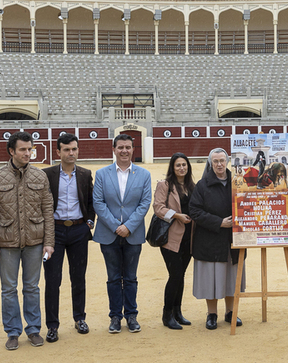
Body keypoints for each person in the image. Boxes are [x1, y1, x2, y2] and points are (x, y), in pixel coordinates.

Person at [0, 131, 55, 351]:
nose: (27, 153)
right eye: (23, 149)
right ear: (11, 151)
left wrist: (49, 242)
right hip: (7, 242)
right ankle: (13, 331)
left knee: (32, 287)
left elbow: (47, 210)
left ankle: (33, 329)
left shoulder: (40, 176)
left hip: (35, 240)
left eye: (30, 149)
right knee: (9, 288)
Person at [93, 134, 152, 333]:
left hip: (133, 233)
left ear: (133, 149)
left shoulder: (143, 174)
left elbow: (145, 203)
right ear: (114, 149)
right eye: (120, 147)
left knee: (131, 277)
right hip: (109, 233)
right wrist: (116, 226)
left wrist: (128, 226)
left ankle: (132, 315)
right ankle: (115, 317)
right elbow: (98, 203)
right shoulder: (102, 174)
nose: (124, 151)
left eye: (128, 147)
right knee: (113, 277)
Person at [42, 133, 95, 342]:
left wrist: (89, 222)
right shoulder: (47, 174)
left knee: (78, 277)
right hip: (53, 232)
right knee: (52, 280)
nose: (70, 153)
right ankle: (52, 325)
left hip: (78, 230)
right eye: (66, 149)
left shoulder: (84, 173)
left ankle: (79, 318)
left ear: (78, 150)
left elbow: (90, 201)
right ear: (58, 152)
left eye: (74, 149)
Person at [189, 148, 245, 330]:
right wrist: (219, 222)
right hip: (210, 239)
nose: (219, 164)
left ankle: (230, 312)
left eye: (222, 160)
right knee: (211, 279)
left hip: (233, 238)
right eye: (216, 162)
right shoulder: (202, 185)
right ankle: (211, 314)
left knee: (231, 276)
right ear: (210, 164)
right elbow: (195, 211)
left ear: (227, 161)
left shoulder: (239, 182)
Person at [152, 152, 196, 330]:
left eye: (184, 165)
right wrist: (176, 215)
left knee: (181, 276)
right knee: (175, 275)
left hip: (188, 238)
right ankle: (167, 314)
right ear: (172, 167)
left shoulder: (191, 186)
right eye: (178, 165)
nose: (181, 168)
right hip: (171, 237)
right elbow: (158, 208)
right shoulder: (165, 185)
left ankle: (177, 312)